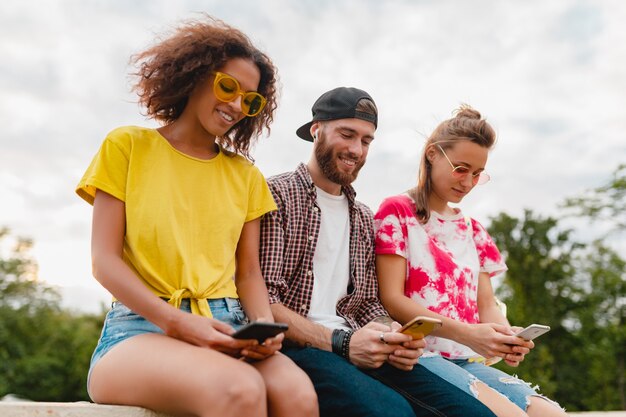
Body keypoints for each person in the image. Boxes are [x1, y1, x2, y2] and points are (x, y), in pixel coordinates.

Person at [76, 16, 318, 417]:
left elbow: (248, 274)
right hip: (141, 327)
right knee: (239, 391)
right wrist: (178, 323)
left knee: (299, 396)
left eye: (250, 100)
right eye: (228, 86)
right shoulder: (127, 147)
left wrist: (263, 328)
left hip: (230, 326)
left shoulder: (246, 176)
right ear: (193, 76)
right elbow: (104, 262)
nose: (236, 105)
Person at [259, 87, 497, 417]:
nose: (356, 149)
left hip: (363, 347)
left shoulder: (363, 217)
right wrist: (342, 342)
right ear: (316, 129)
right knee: (391, 412)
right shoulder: (276, 195)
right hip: (300, 348)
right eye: (347, 134)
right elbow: (263, 302)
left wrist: (395, 338)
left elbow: (371, 304)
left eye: (367, 140)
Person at [374, 105, 568, 417]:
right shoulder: (397, 212)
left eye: (477, 174)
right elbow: (392, 299)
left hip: (463, 359)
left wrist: (505, 337)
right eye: (461, 169)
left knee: (553, 415)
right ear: (433, 154)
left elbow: (486, 304)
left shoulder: (473, 230)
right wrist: (467, 333)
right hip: (415, 356)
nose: (467, 182)